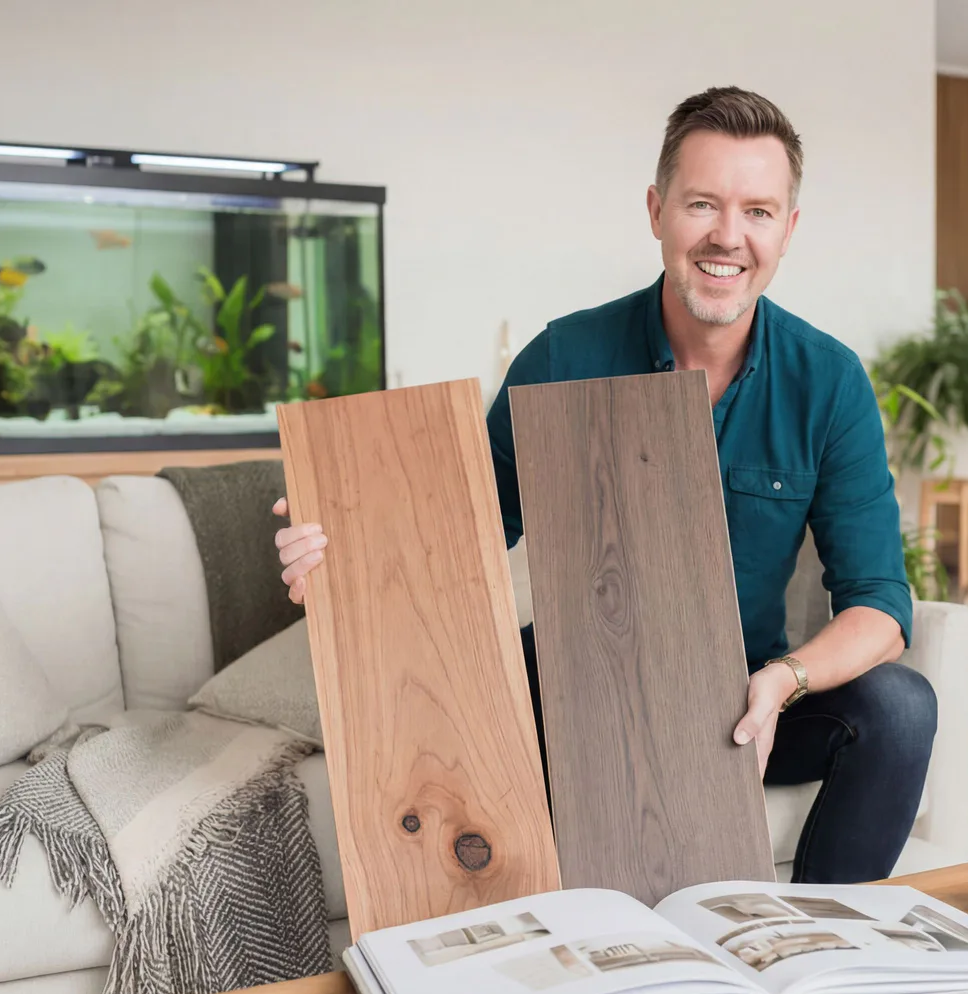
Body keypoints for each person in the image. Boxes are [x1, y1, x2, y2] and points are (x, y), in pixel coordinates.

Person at [273, 86, 934, 883]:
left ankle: (813, 961)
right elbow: (457, 536)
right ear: (657, 210)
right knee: (480, 704)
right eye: (702, 204)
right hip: (568, 697)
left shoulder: (828, 381)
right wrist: (336, 554)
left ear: (788, 230)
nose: (729, 236)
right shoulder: (561, 359)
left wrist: (780, 683)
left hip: (738, 702)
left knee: (899, 708)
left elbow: (881, 607)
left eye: (758, 211)